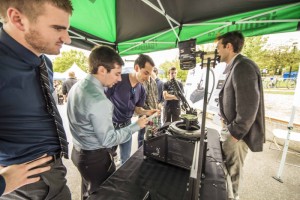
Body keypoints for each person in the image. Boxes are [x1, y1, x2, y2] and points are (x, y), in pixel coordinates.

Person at [0, 0, 73, 199]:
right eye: (58, 28)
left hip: (56, 175)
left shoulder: (45, 62)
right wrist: (3, 183)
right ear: (17, 19)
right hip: (24, 186)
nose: (67, 39)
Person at [67, 46, 148, 200]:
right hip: (94, 159)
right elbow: (108, 139)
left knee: (88, 192)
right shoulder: (99, 100)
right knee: (103, 195)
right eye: (117, 74)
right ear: (102, 70)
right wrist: (136, 126)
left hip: (78, 153)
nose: (119, 79)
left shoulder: (77, 86)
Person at [216, 31, 265, 200]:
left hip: (237, 134)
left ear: (228, 46)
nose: (217, 51)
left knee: (233, 172)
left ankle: (233, 197)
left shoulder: (243, 66)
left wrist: (234, 134)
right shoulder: (236, 66)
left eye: (219, 47)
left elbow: (249, 107)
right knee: (227, 170)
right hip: (231, 129)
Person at [106, 54, 158, 164]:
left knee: (126, 160)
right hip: (111, 127)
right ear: (137, 68)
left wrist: (148, 112)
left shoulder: (142, 89)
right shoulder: (118, 80)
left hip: (128, 125)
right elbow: (103, 99)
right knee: (106, 159)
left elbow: (137, 110)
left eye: (150, 74)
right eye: (146, 73)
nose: (148, 78)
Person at [137, 73, 159, 147]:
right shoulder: (141, 82)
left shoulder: (153, 82)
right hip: (143, 113)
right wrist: (149, 110)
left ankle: (149, 150)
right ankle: (139, 151)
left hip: (153, 114)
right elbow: (140, 101)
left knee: (151, 133)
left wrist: (156, 108)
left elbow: (156, 97)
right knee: (141, 134)